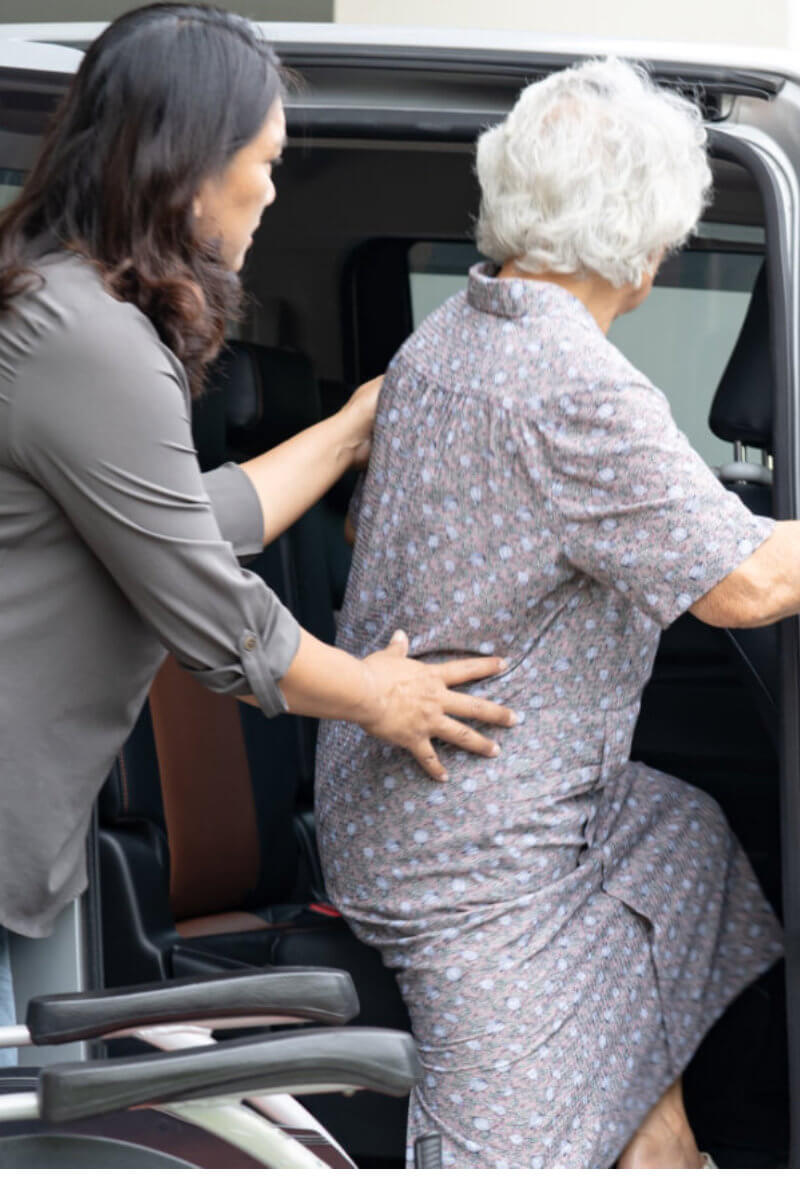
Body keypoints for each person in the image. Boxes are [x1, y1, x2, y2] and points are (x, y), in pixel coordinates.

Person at [0, 4, 516, 1064]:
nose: (274, 190)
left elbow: (188, 525)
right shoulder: (83, 336)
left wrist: (344, 432)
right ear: (190, 163)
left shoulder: (76, 315)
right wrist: (381, 696)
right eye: (266, 161)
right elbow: (214, 621)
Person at [315, 58, 787, 1168]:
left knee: (680, 833)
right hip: (473, 860)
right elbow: (748, 585)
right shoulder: (573, 381)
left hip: (414, 806)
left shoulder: (447, 336)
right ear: (649, 244)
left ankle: (657, 1140)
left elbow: (373, 532)